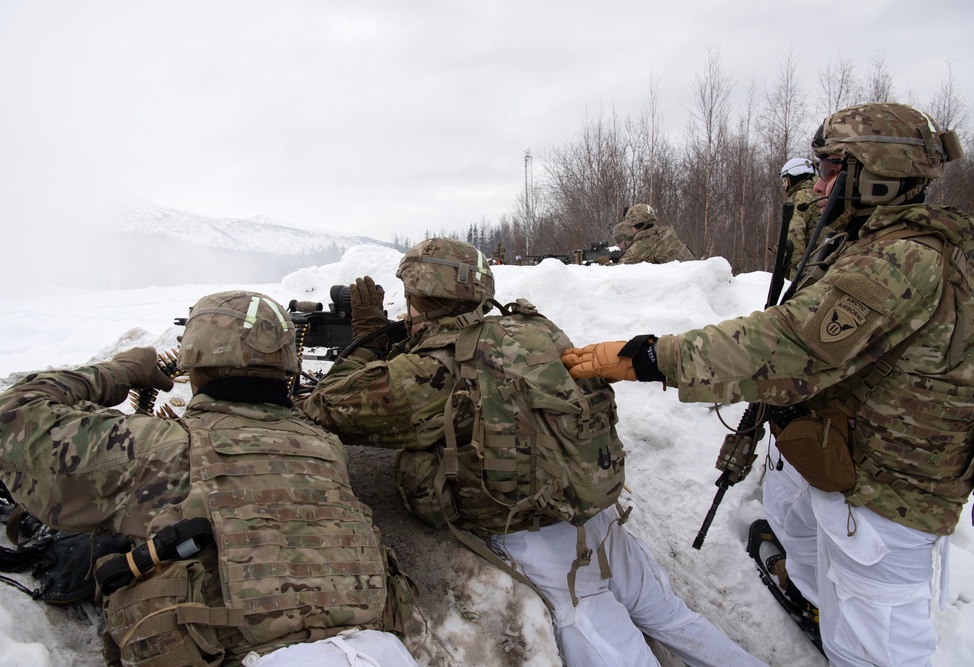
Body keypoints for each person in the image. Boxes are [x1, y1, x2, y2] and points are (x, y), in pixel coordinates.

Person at [562, 102, 971, 667]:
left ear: (874, 175)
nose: (818, 185)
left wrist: (651, 358)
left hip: (887, 493)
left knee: (877, 643)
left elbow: (787, 345)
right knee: (793, 515)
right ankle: (817, 596)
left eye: (832, 171)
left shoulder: (901, 259)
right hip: (845, 450)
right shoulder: (875, 242)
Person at [301, 237, 767, 667]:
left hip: (534, 530)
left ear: (417, 299)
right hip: (590, 505)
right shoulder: (532, 327)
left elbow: (325, 407)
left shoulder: (430, 371)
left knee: (596, 631)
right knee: (667, 612)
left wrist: (367, 336)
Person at [0, 290, 417, 667]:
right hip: (376, 652)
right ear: (286, 364)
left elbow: (4, 417)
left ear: (195, 365)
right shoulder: (323, 446)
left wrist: (122, 371)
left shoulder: (161, 447)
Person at [779, 157, 822, 279]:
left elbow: (794, 234)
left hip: (809, 266)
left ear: (794, 176)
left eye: (785, 180)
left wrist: (795, 275)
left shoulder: (802, 195)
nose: (784, 185)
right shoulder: (820, 194)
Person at [616, 204, 696, 265]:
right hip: (694, 279)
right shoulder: (664, 233)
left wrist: (604, 260)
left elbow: (619, 270)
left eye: (631, 226)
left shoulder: (643, 245)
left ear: (637, 225)